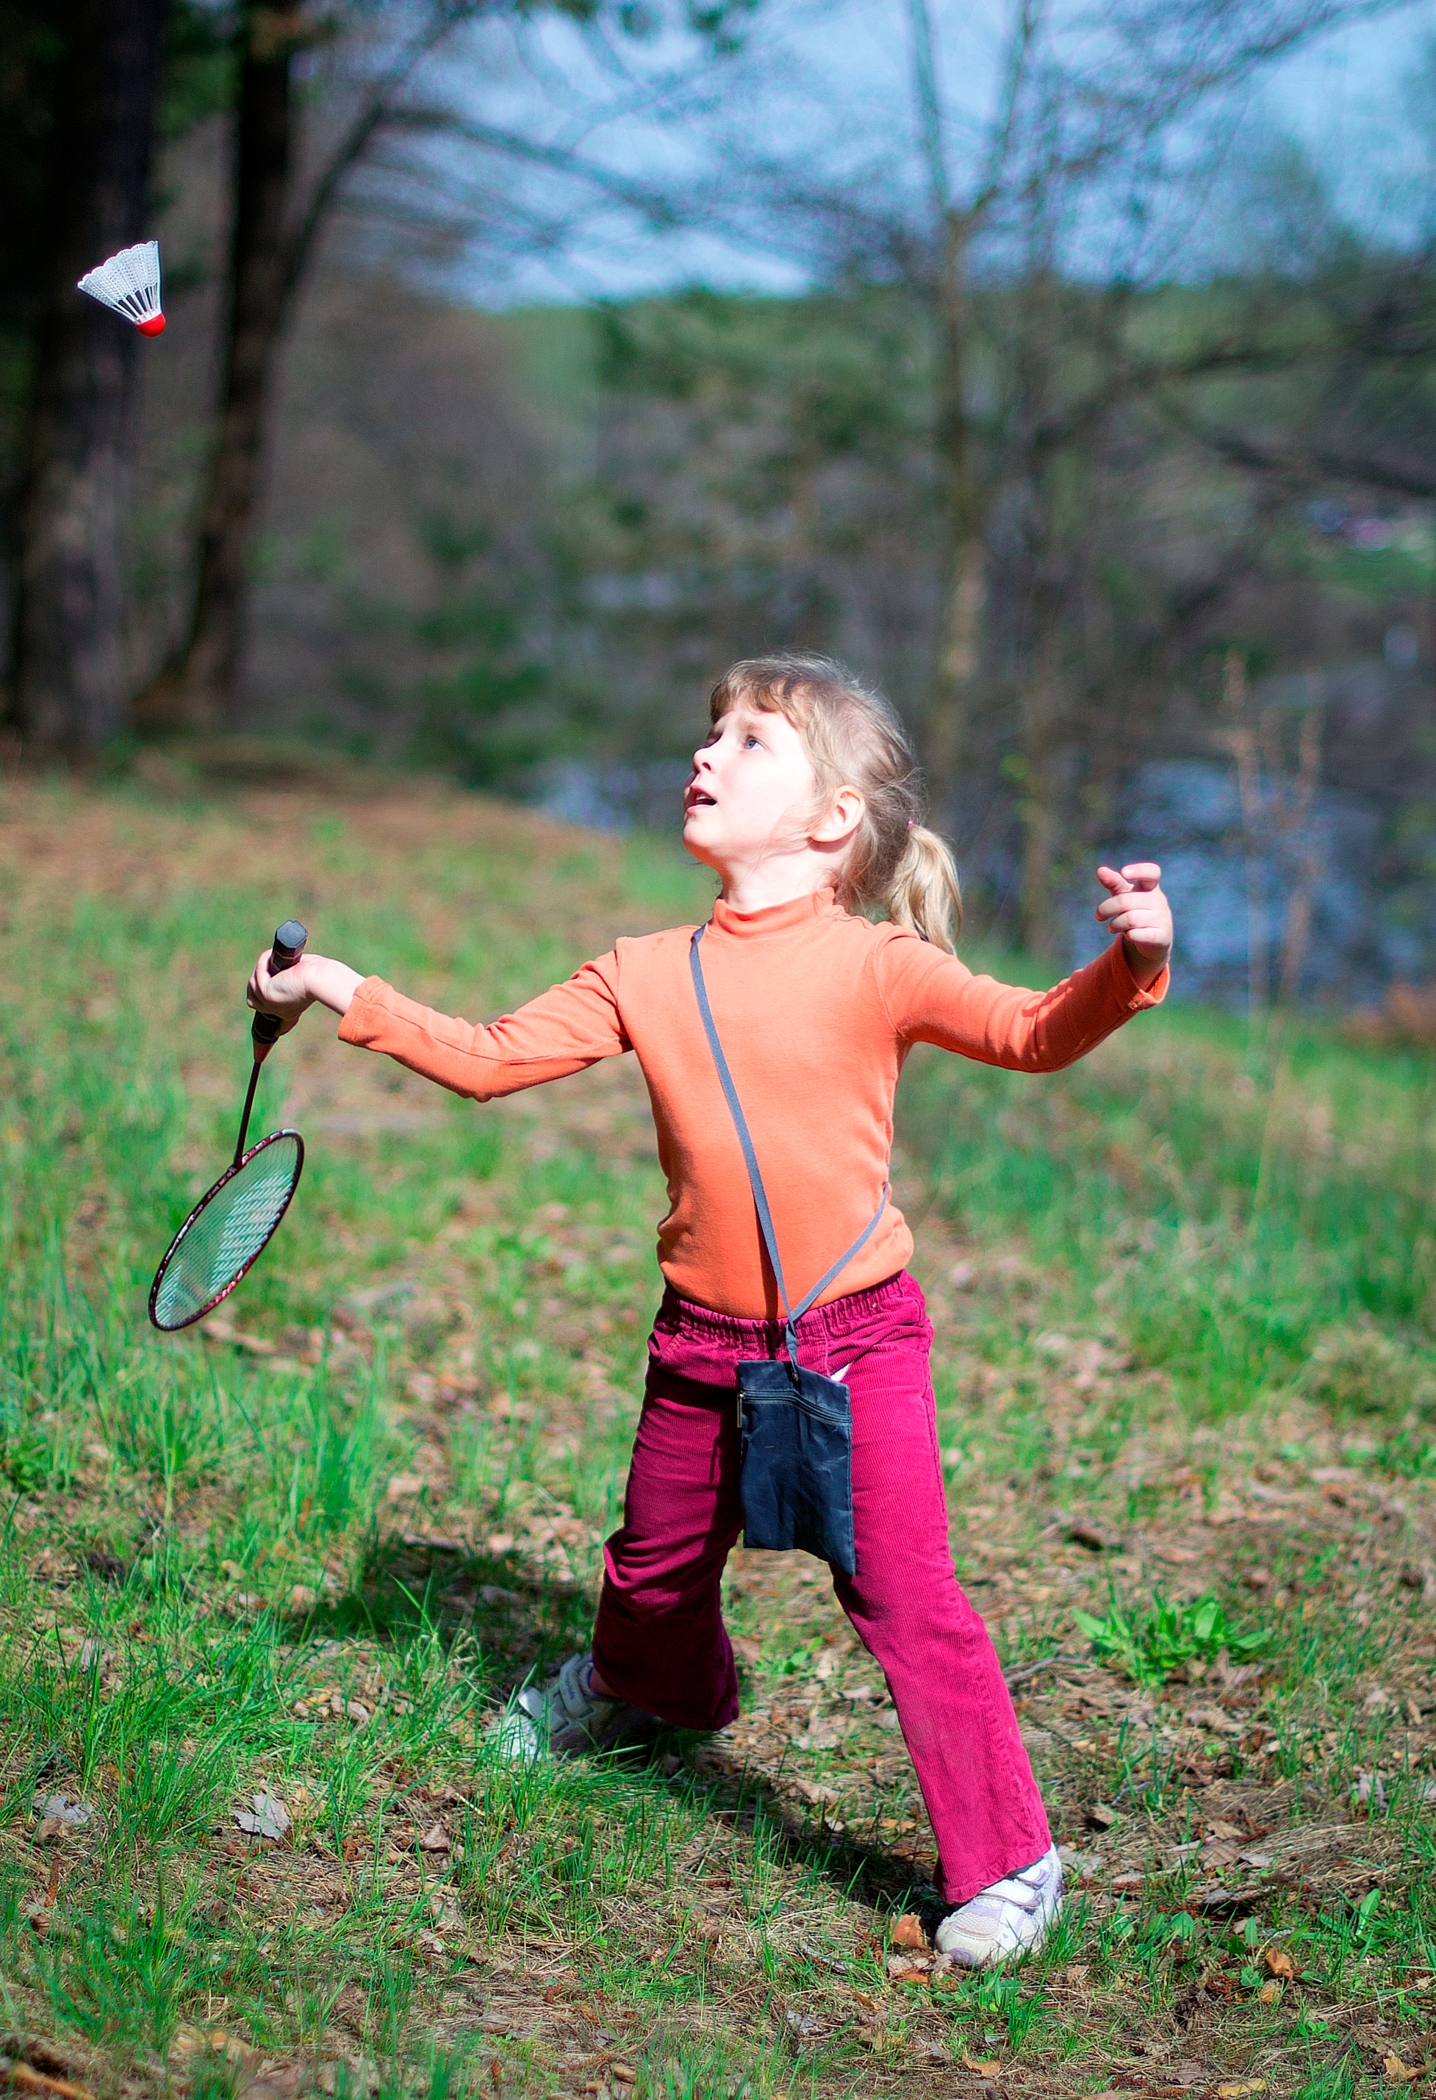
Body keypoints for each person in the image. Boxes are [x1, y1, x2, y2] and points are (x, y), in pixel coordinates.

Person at [246, 653, 1173, 1967]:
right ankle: (648, 1691)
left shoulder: (880, 965)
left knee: (905, 1599)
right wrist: (338, 981)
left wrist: (1129, 963)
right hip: (700, 1346)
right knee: (652, 1571)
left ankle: (1011, 1858)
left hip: (856, 1342)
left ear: (832, 817)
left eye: (751, 743)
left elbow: (1034, 1031)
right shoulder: (641, 968)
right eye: (709, 734)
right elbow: (492, 1058)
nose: (707, 755)